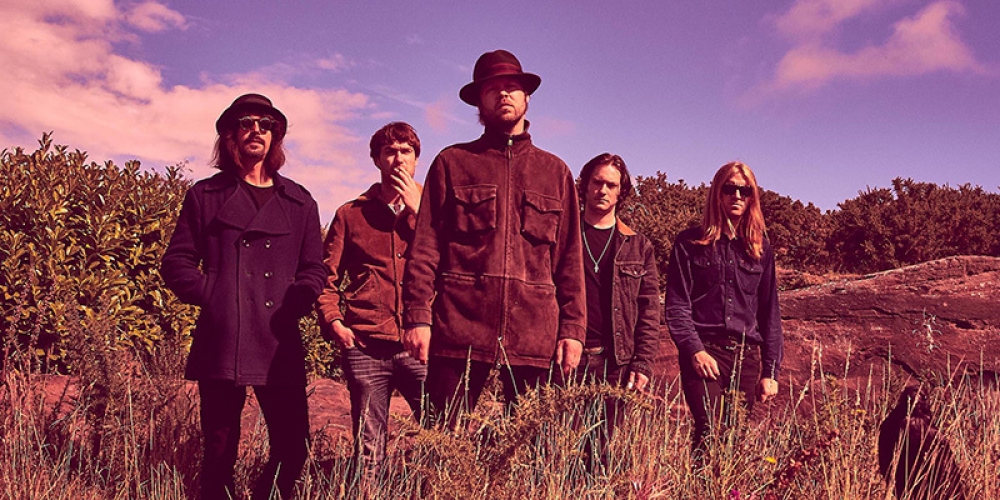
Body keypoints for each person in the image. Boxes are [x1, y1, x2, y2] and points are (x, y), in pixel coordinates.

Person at [401, 49, 586, 424]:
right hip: (459, 331)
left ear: (526, 97)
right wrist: (417, 317)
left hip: (535, 334)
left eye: (512, 86)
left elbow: (570, 260)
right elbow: (424, 250)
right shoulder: (452, 163)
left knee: (534, 445)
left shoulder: (556, 172)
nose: (503, 93)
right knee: (443, 438)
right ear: (478, 102)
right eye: (492, 88)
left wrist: (573, 329)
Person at [161, 93, 326, 500]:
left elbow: (314, 267)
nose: (256, 130)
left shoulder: (300, 201)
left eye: (265, 125)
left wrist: (300, 298)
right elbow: (177, 262)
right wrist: (216, 295)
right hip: (224, 336)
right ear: (230, 135)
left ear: (275, 137)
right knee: (219, 451)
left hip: (278, 338)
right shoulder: (205, 195)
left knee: (294, 445)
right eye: (246, 123)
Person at [316, 122, 427, 471]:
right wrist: (334, 322)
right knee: (369, 453)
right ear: (377, 159)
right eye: (389, 152)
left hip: (422, 346)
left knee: (442, 438)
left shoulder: (436, 212)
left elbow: (458, 262)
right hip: (365, 346)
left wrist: (421, 213)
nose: (398, 159)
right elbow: (325, 276)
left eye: (406, 151)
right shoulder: (351, 214)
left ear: (416, 159)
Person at [664, 161, 782, 456]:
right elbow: (677, 305)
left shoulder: (761, 248)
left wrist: (771, 371)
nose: (737, 196)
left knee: (734, 440)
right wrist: (695, 351)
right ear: (718, 192)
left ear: (753, 197)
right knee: (710, 431)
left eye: (745, 190)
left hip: (746, 358)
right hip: (706, 353)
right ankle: (700, 483)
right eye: (730, 189)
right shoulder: (689, 243)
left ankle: (724, 483)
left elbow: (770, 313)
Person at [575, 153, 661, 464]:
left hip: (615, 362)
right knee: (557, 447)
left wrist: (643, 363)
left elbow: (649, 311)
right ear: (585, 185)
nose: (603, 190)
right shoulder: (564, 235)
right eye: (597, 182)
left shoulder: (638, 245)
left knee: (600, 451)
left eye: (611, 185)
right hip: (566, 358)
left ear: (621, 191)